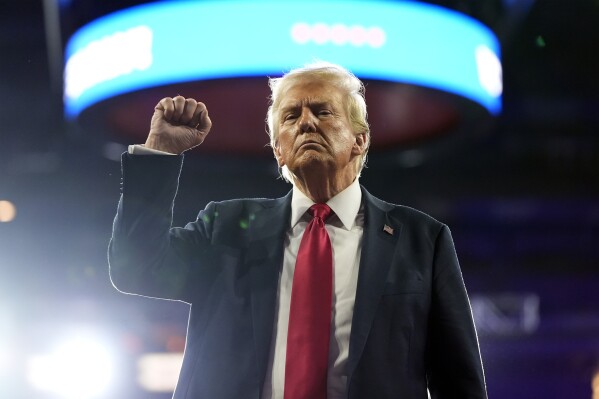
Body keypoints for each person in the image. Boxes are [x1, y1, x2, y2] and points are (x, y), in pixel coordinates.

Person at [109, 61, 487, 399]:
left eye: (322, 111)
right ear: (279, 151)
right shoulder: (226, 228)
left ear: (360, 140)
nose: (306, 122)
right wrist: (160, 152)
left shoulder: (423, 240)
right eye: (291, 116)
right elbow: (137, 267)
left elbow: (459, 383)